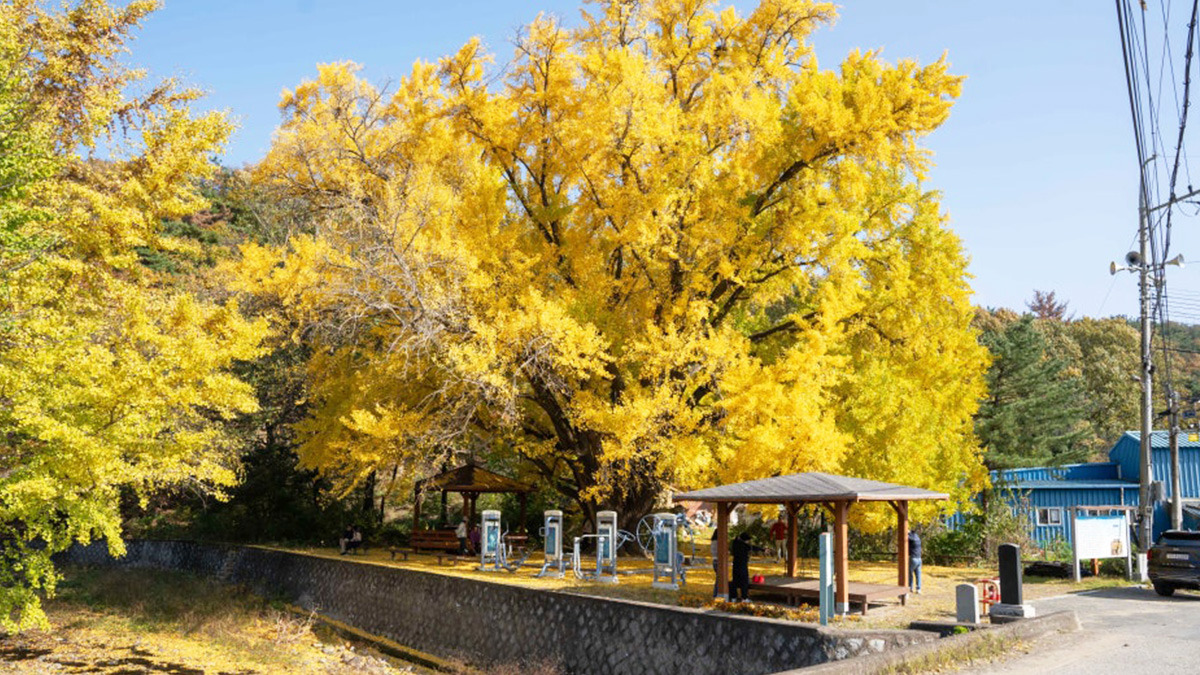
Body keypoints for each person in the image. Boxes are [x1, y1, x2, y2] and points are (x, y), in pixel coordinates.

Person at [730, 532, 764, 602]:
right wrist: (763, 549)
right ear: (745, 540)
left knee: (735, 580)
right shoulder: (744, 545)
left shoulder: (735, 543)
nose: (748, 542)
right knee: (744, 581)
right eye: (748, 540)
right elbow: (753, 547)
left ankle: (734, 597)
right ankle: (744, 597)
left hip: (735, 565)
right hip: (742, 565)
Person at [908, 529, 922, 594]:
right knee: (918, 574)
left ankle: (909, 588)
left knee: (909, 574)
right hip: (919, 558)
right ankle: (918, 589)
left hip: (913, 558)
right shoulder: (917, 537)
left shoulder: (910, 538)